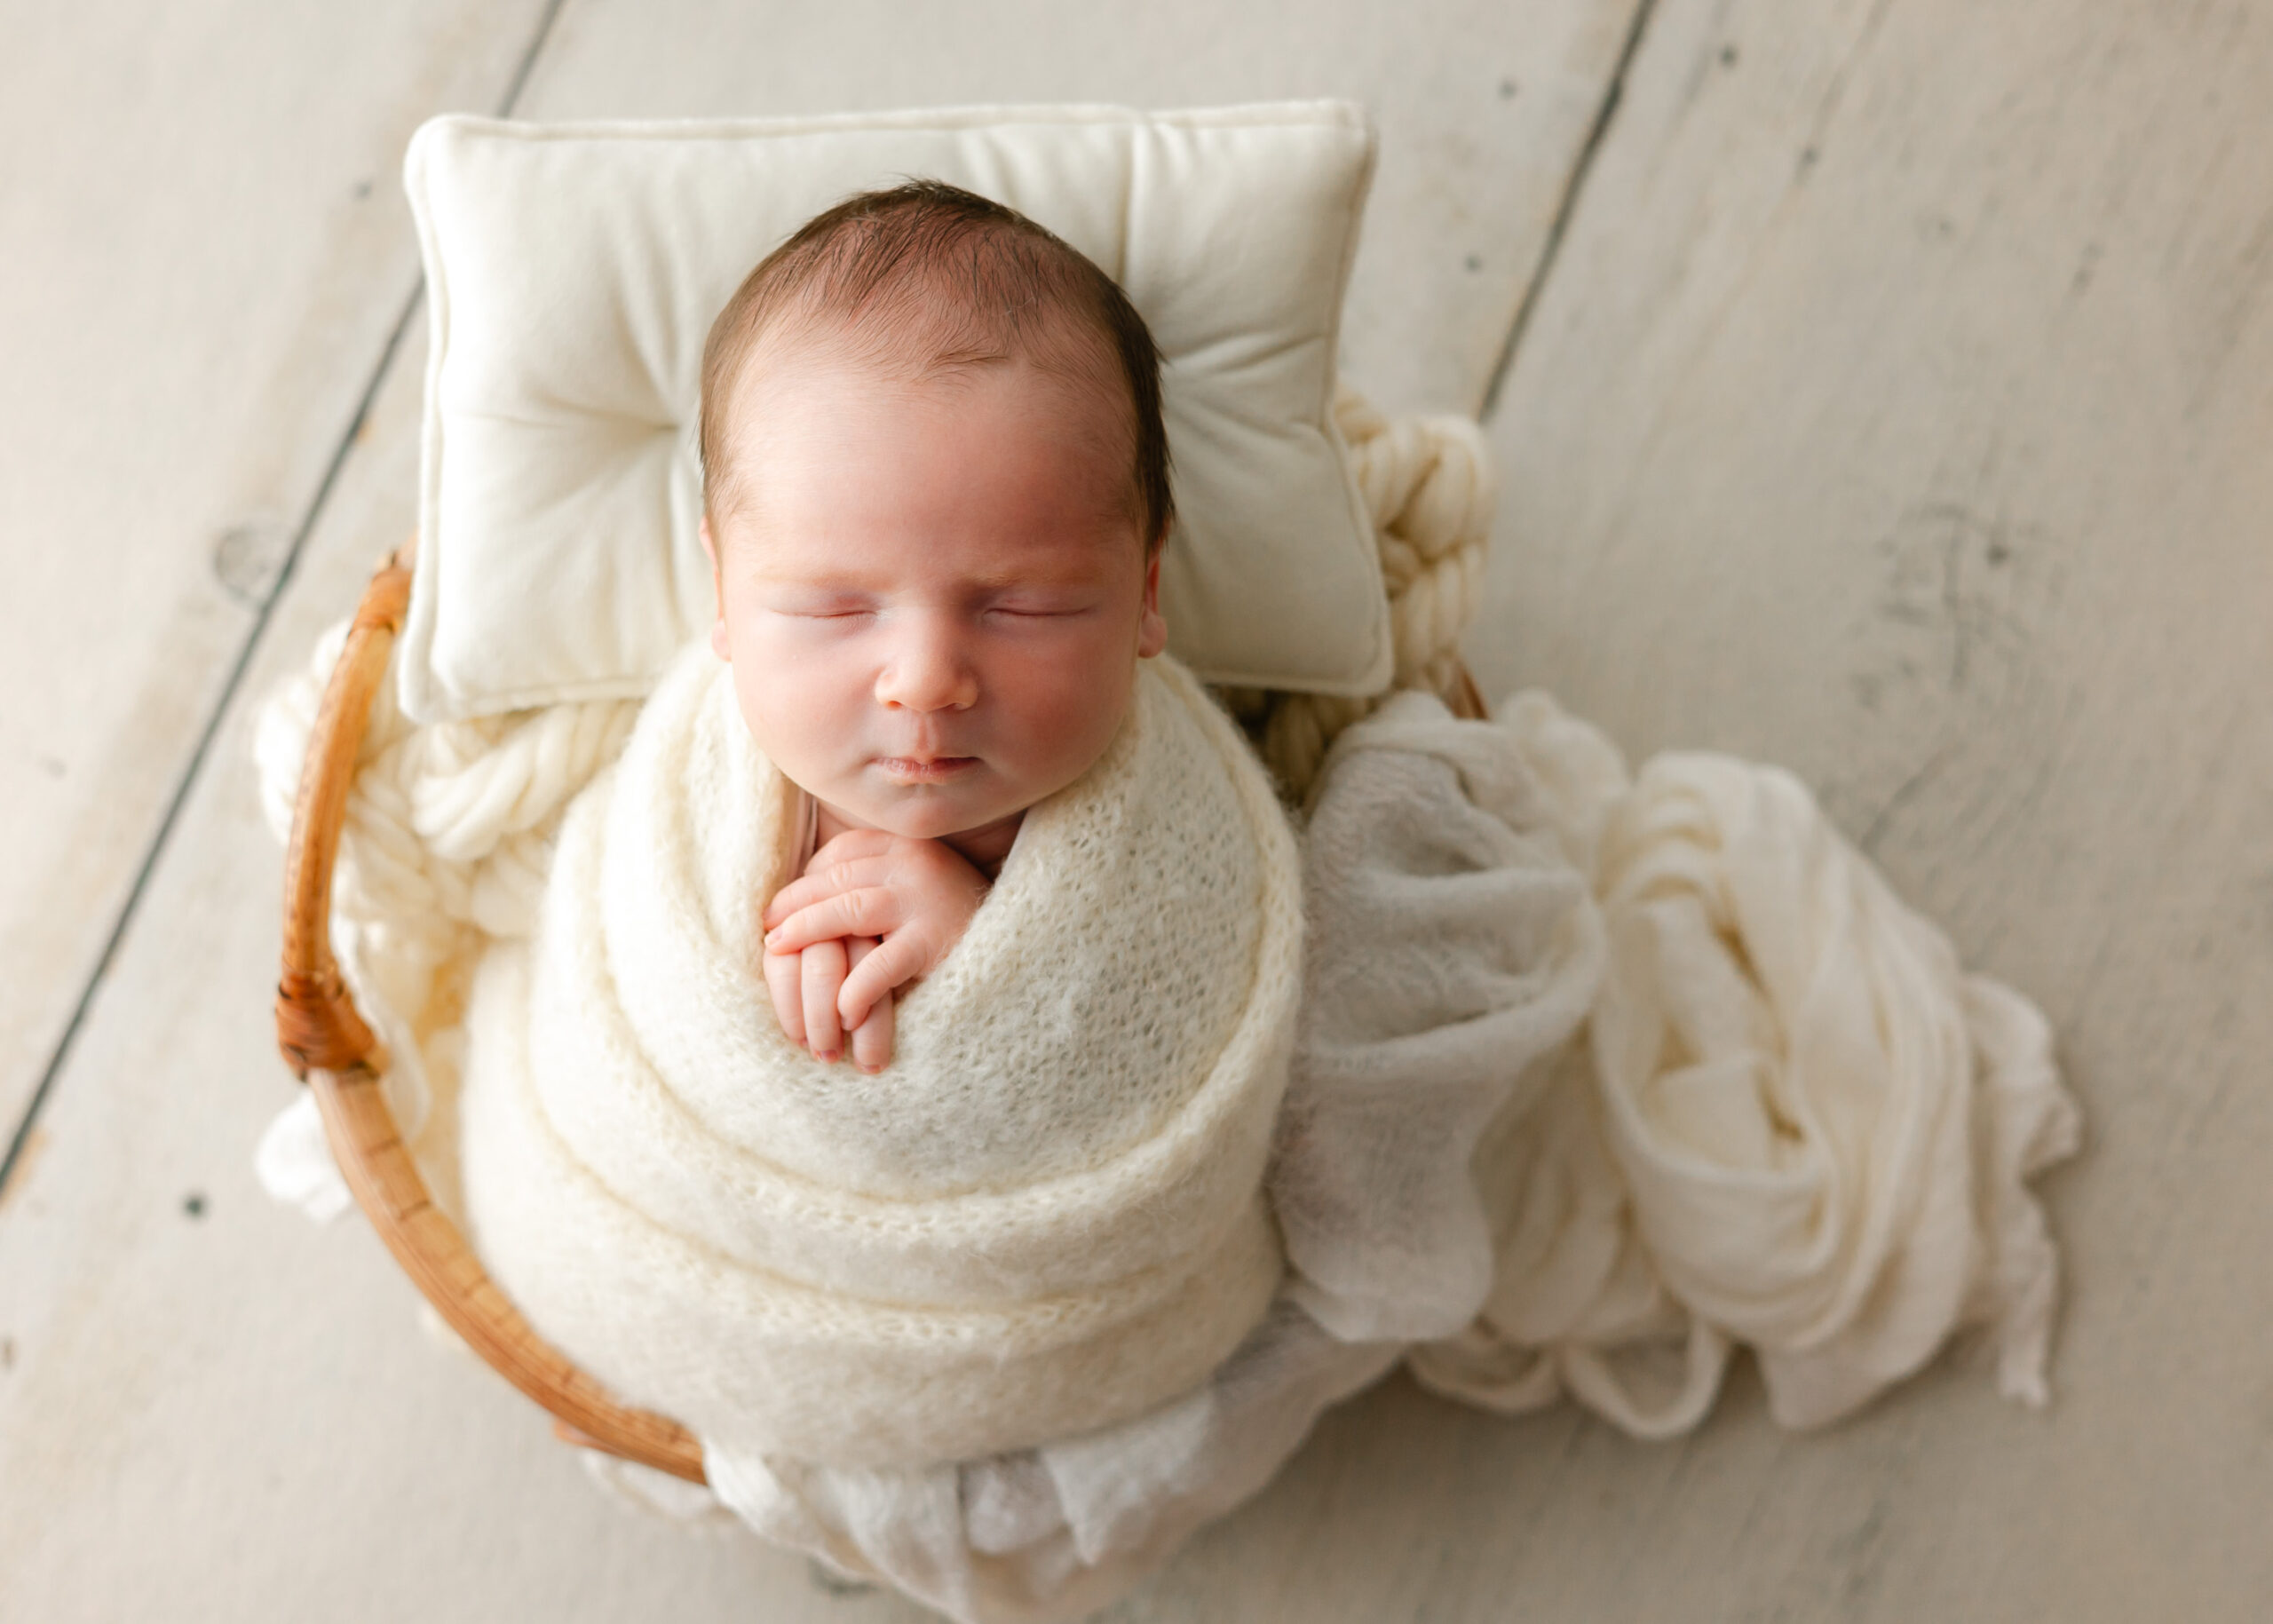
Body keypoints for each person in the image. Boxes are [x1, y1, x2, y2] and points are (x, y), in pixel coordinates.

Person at [693, 180, 1173, 1073]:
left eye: (1023, 607)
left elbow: (1182, 1029)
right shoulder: (688, 808)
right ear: (723, 592)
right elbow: (622, 1005)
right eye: (834, 606)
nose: (923, 678)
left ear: (1146, 589)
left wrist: (993, 958)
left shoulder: (1167, 819)